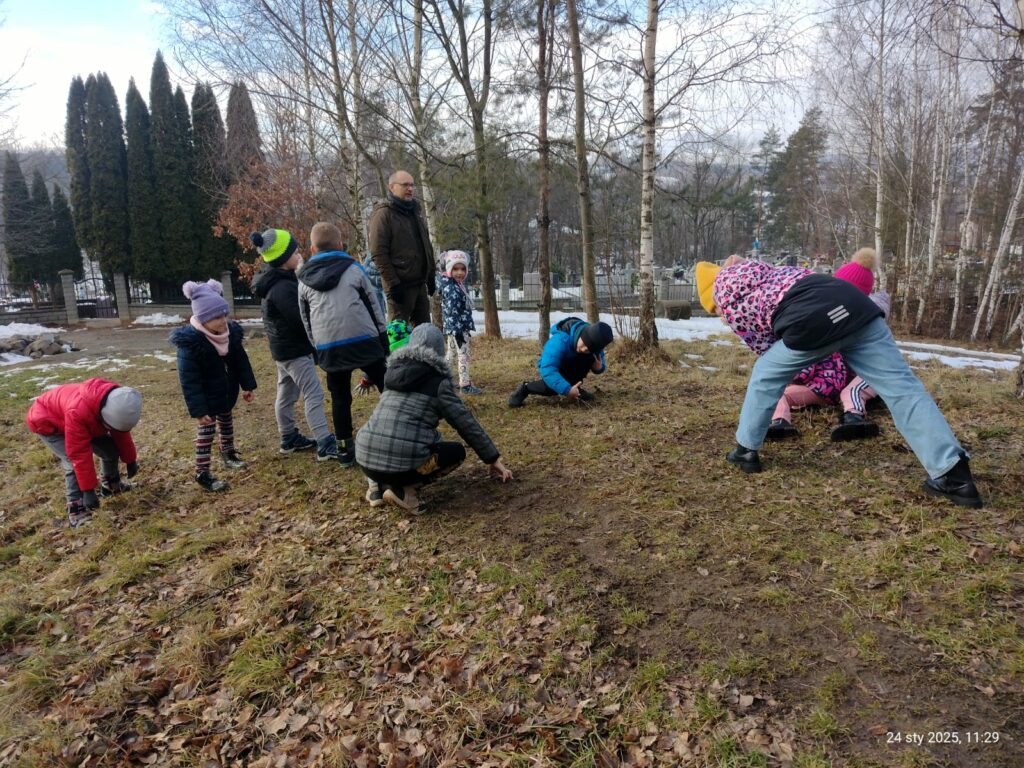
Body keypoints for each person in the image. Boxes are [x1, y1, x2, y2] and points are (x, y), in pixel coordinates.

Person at [695, 255, 983, 508]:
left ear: (713, 298)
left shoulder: (727, 297)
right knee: (903, 389)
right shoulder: (766, 272)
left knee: (764, 376)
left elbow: (764, 345)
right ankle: (955, 477)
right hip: (858, 307)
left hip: (813, 320)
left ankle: (745, 450)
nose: (720, 317)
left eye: (714, 312)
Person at [355, 324, 513, 514]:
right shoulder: (439, 383)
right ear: (439, 350)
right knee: (455, 452)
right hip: (402, 463)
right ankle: (405, 492)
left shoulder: (391, 373)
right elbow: (465, 422)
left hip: (364, 455)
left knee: (395, 438)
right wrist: (492, 458)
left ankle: (376, 487)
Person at [298, 221, 389, 467]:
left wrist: (316, 348)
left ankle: (344, 449)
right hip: (364, 341)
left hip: (330, 347)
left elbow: (306, 319)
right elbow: (374, 306)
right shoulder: (354, 270)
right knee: (386, 385)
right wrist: (383, 340)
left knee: (339, 397)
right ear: (340, 245)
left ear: (312, 249)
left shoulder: (303, 280)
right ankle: (398, 429)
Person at [250, 228, 339, 461]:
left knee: (287, 393)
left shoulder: (275, 281)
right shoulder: (282, 287)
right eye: (295, 251)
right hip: (294, 351)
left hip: (282, 350)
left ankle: (288, 437)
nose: (299, 254)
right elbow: (300, 319)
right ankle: (324, 442)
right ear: (282, 258)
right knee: (314, 393)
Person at [170, 279, 257, 492]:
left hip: (226, 391)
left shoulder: (230, 336)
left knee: (227, 423)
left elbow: (241, 362)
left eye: (224, 315)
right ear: (203, 318)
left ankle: (228, 452)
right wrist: (199, 410)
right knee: (206, 433)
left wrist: (247, 385)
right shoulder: (191, 345)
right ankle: (203, 472)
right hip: (207, 399)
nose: (223, 321)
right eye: (217, 317)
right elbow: (189, 381)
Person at [26, 378, 142, 527]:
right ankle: (76, 508)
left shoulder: (119, 402)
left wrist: (130, 459)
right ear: (103, 416)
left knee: (110, 450)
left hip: (83, 418)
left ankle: (111, 485)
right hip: (47, 422)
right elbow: (79, 455)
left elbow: (120, 432)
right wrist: (88, 490)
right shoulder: (78, 412)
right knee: (72, 462)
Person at [368, 169, 436, 324]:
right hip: (400, 287)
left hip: (420, 284)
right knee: (399, 338)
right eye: (405, 185)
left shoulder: (414, 212)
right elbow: (378, 253)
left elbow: (426, 246)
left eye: (412, 185)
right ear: (392, 187)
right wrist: (393, 284)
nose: (410, 189)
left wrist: (431, 275)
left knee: (424, 334)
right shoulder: (383, 214)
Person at [507, 317, 614, 408]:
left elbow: (601, 362)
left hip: (571, 366)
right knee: (551, 388)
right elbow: (548, 369)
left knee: (589, 357)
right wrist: (566, 390)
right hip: (554, 369)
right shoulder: (560, 340)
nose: (584, 349)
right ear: (582, 334)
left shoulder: (596, 343)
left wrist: (598, 368)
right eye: (584, 344)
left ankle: (575, 387)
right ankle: (526, 388)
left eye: (589, 349)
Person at [438, 249, 482, 394]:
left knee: (451, 354)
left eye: (463, 269)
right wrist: (458, 331)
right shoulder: (452, 288)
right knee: (463, 355)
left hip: (453, 328)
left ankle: (443, 380)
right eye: (456, 269)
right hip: (458, 328)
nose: (460, 272)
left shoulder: (456, 285)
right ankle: (465, 385)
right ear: (449, 269)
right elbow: (452, 311)